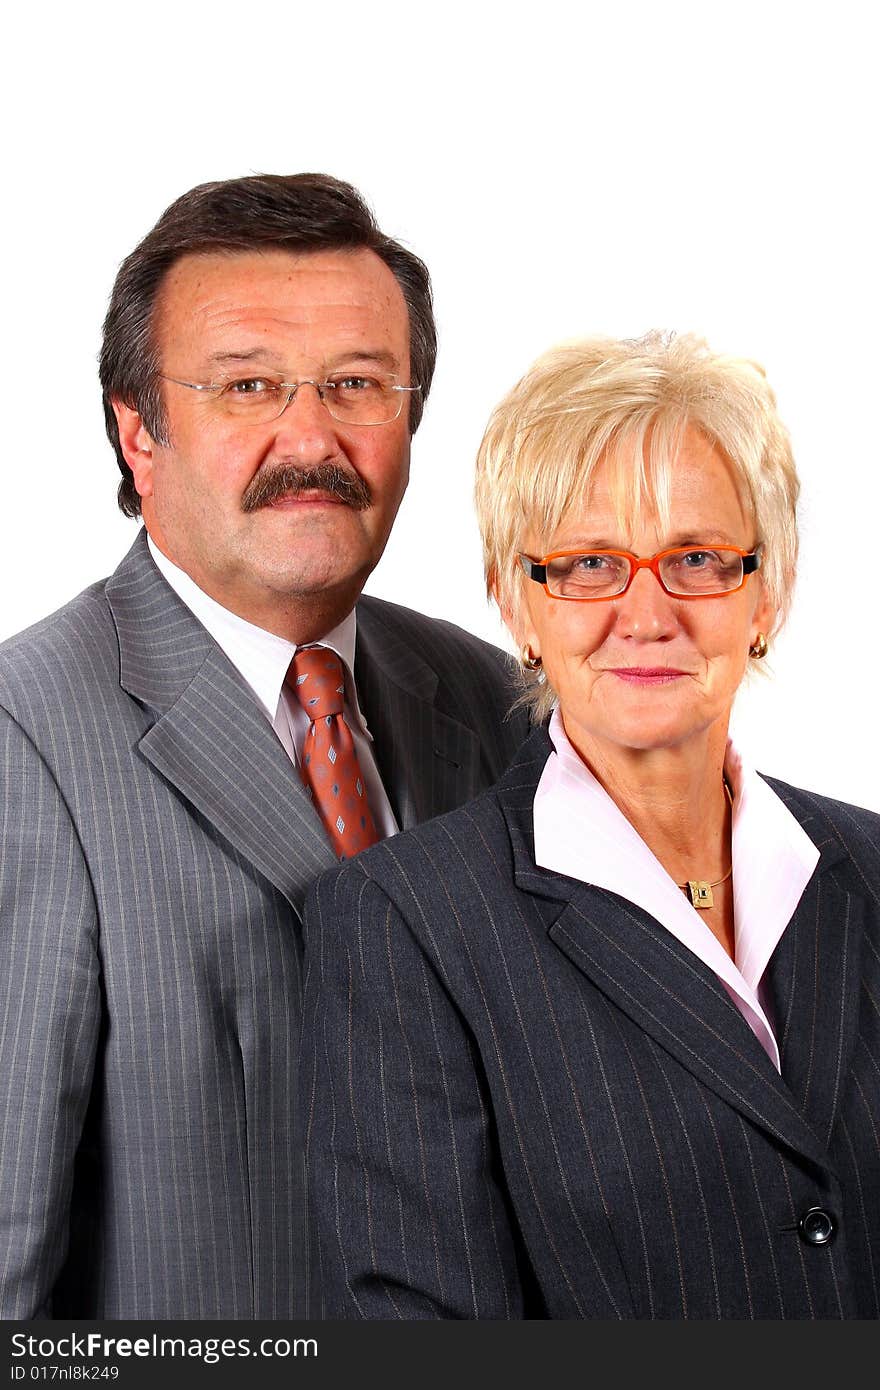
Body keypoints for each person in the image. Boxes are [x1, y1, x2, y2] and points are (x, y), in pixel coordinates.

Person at [0, 173, 528, 1320]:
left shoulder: (489, 700)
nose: (312, 437)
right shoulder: (23, 735)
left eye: (357, 384)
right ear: (138, 431)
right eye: (246, 386)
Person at [302, 331, 880, 1319]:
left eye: (696, 557)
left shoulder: (868, 867)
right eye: (587, 564)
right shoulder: (408, 922)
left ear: (766, 592)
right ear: (515, 603)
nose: (645, 612)